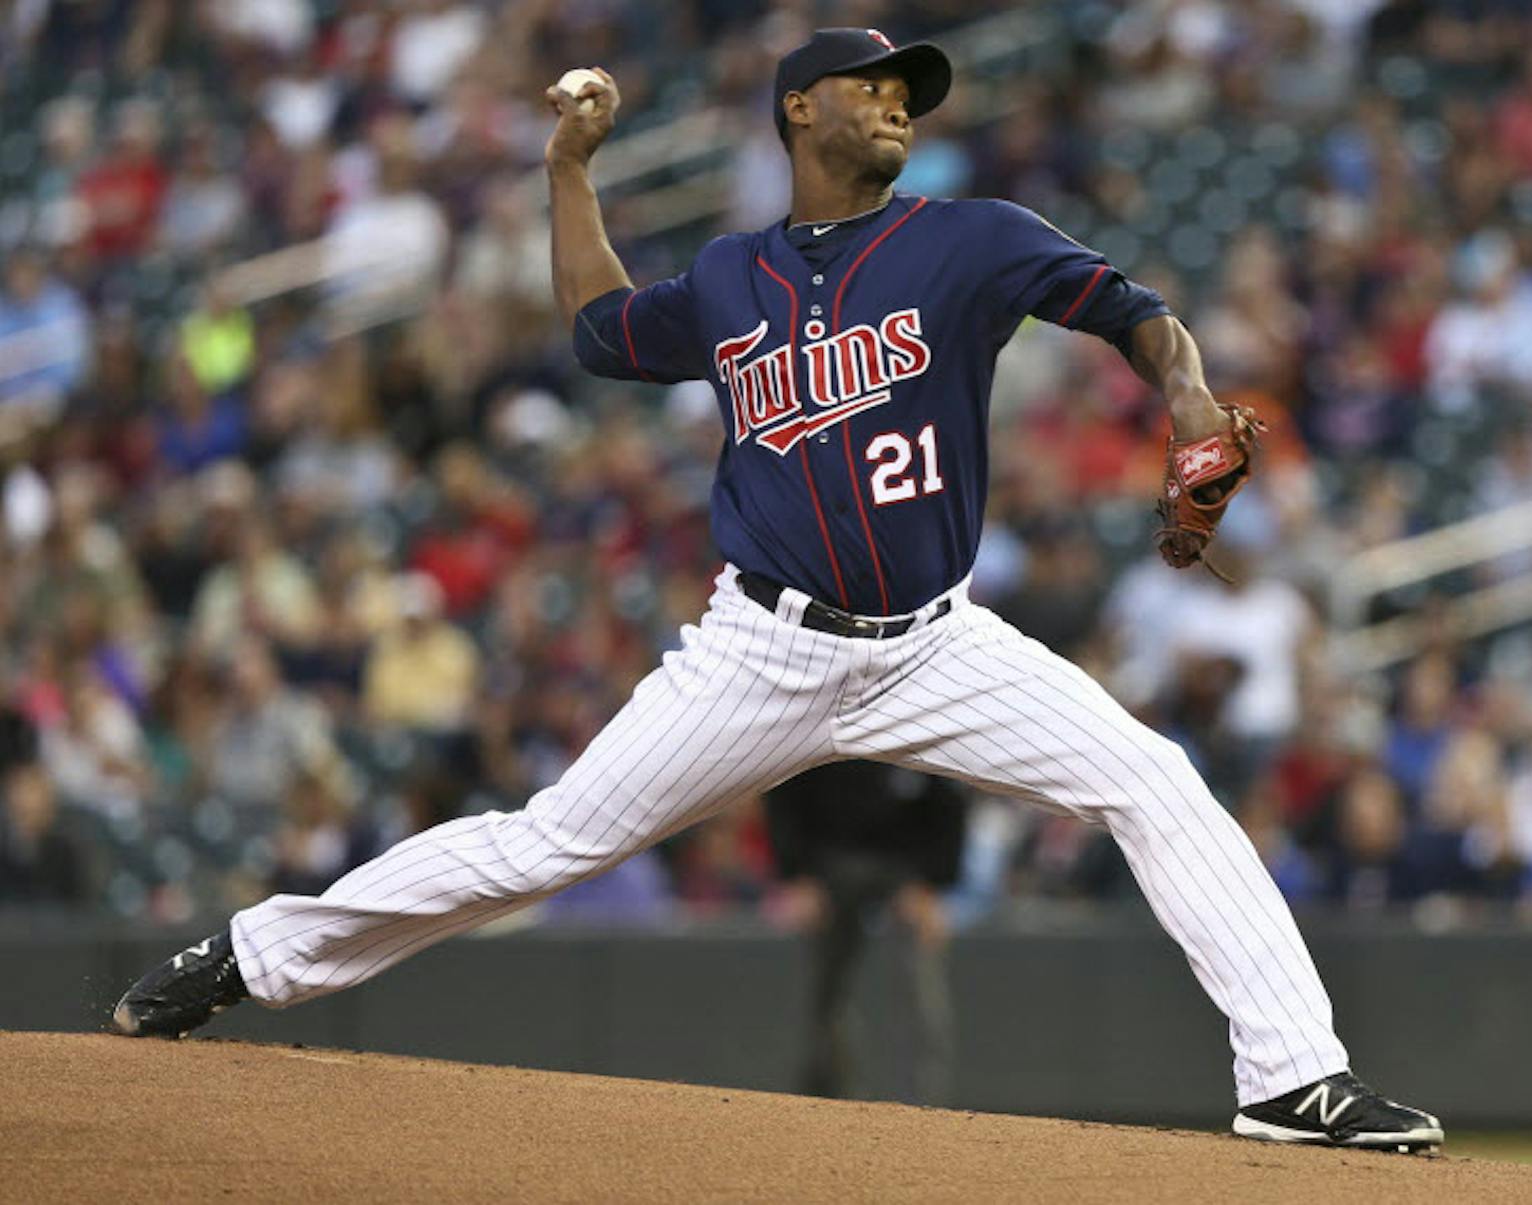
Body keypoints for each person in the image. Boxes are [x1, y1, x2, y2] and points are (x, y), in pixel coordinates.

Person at [108, 29, 1441, 1151]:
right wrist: (568, 172)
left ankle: (1289, 1076)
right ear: (801, 106)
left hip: (936, 646)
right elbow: (597, 328)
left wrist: (1191, 389)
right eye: (874, 87)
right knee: (545, 844)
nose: (898, 107)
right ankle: (253, 956)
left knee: (1153, 780)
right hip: (762, 652)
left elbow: (1130, 307)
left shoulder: (971, 240)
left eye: (911, 96)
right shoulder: (735, 278)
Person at [765, 760, 966, 1104]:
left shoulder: (911, 716)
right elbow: (784, 788)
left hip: (905, 870)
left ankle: (926, 1109)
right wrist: (796, 873)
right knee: (823, 993)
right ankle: (827, 1104)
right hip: (826, 864)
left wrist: (931, 882)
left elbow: (947, 796)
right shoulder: (820, 710)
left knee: (920, 988)